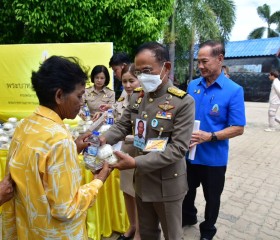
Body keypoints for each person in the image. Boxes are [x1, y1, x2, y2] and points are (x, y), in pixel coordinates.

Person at [2, 56, 112, 239]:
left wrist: (73, 148)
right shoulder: (60, 140)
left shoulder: (26, 125)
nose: (82, 102)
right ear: (59, 96)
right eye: (79, 95)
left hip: (28, 229)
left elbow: (36, 170)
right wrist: (98, 181)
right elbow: (65, 209)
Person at [100, 41, 195, 240]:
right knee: (148, 234)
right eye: (139, 72)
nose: (142, 76)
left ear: (166, 68)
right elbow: (123, 125)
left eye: (147, 70)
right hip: (142, 182)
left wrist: (135, 162)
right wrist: (102, 138)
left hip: (167, 183)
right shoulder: (138, 97)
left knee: (172, 235)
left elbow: (178, 149)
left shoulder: (183, 102)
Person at [182, 40, 246, 240]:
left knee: (212, 198)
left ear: (219, 59)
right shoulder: (192, 85)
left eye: (204, 61)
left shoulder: (233, 90)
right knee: (185, 191)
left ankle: (208, 230)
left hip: (213, 159)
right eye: (198, 62)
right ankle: (188, 216)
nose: (200, 66)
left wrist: (210, 136)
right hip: (189, 154)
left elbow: (238, 128)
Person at [114, 64, 141, 240]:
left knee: (137, 193)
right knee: (126, 191)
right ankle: (131, 226)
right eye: (124, 81)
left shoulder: (145, 98)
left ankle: (139, 232)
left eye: (132, 80)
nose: (128, 85)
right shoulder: (123, 97)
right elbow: (120, 123)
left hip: (139, 153)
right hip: (124, 150)